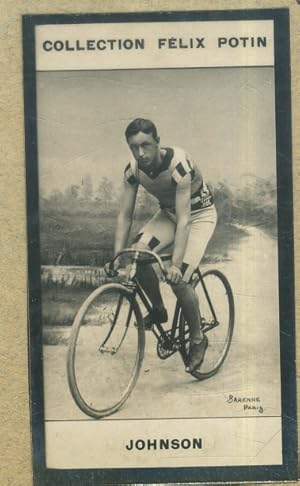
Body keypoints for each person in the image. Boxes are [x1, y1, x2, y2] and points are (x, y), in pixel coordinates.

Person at [108, 118, 217, 373]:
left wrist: (176, 265)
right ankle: (158, 310)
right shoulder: (133, 171)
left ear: (158, 142)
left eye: (146, 145)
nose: (140, 153)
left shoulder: (180, 165)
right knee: (138, 254)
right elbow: (125, 215)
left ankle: (199, 338)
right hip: (169, 215)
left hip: (198, 217)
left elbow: (185, 220)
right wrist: (117, 256)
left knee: (179, 280)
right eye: (133, 147)